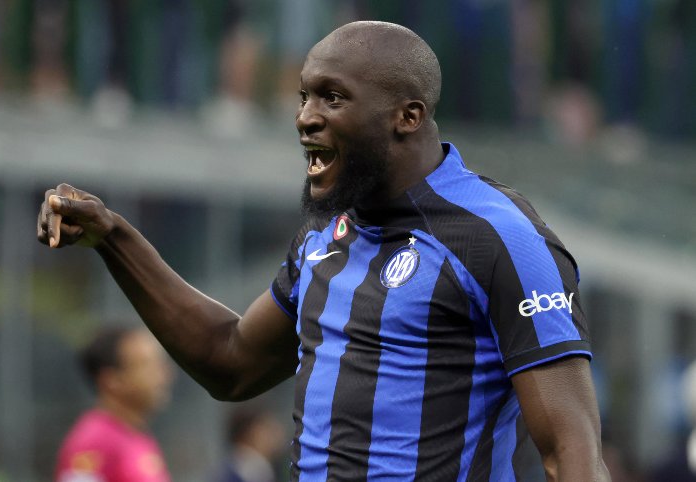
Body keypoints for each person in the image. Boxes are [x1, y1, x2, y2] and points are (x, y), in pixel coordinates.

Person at [38, 21, 610, 481]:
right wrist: (114, 239)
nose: (306, 118)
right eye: (305, 96)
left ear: (407, 116)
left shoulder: (500, 237)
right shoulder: (327, 234)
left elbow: (571, 454)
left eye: (332, 98)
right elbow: (229, 361)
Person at [55, 326, 173, 482]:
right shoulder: (92, 444)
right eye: (147, 366)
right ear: (112, 380)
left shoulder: (137, 436)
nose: (165, 375)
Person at [214, 405, 286, 482]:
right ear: (249, 433)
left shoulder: (229, 470)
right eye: (268, 428)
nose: (277, 434)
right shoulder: (244, 474)